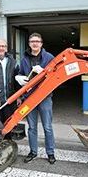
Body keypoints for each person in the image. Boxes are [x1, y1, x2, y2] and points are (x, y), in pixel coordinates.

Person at [15, 32, 56, 164]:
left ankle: (50, 153)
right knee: (32, 127)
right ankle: (33, 152)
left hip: (45, 96)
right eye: (32, 41)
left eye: (37, 41)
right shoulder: (24, 59)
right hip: (29, 97)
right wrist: (19, 79)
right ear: (29, 44)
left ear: (41, 43)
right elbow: (20, 74)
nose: (35, 43)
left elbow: (56, 76)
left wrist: (44, 71)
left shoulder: (49, 57)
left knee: (47, 127)